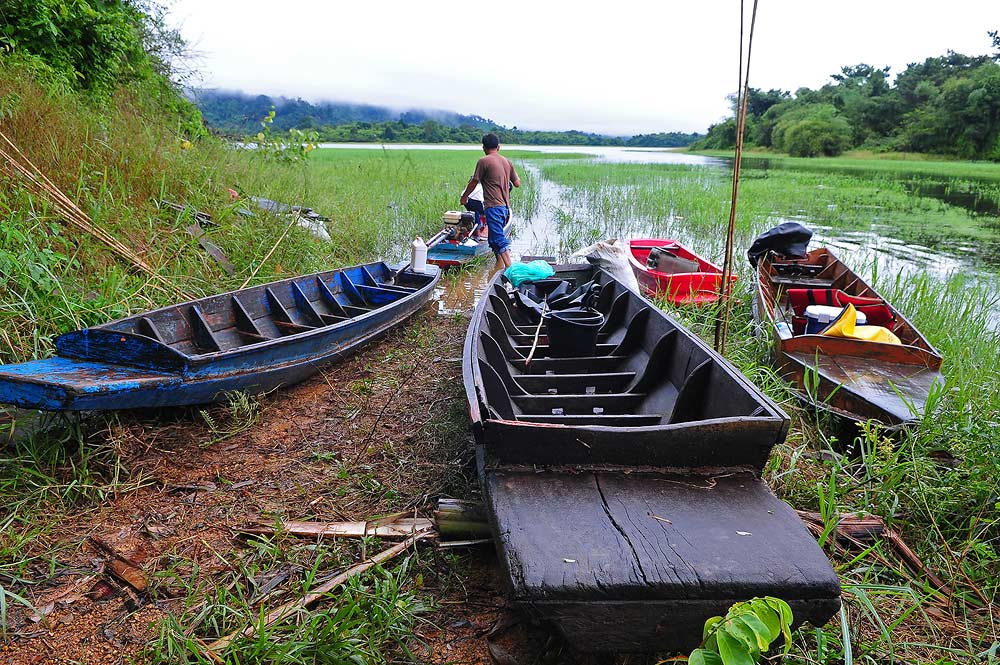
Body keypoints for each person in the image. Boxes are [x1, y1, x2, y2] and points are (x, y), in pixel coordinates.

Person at [461, 133, 520, 269]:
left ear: (483, 148)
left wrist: (464, 197)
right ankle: (498, 266)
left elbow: (474, 181)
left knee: (498, 239)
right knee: (493, 240)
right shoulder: (507, 162)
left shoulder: (484, 161)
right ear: (498, 147)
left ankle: (511, 270)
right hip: (505, 207)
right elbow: (517, 183)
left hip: (493, 207)